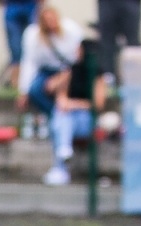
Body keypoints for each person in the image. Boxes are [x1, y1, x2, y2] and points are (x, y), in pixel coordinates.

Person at [44, 36, 107, 185]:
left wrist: (73, 104)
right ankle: (63, 154)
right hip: (67, 116)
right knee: (61, 117)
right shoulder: (72, 70)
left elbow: (97, 104)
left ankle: (60, 166)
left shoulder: (97, 75)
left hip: (85, 118)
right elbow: (52, 89)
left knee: (62, 121)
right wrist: (62, 98)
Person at [18, 5, 84, 134]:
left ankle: (66, 121)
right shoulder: (33, 35)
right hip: (46, 71)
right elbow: (30, 63)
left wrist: (64, 77)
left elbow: (78, 57)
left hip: (69, 70)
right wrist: (23, 91)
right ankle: (55, 119)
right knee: (35, 90)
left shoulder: (71, 30)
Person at [0, 0, 42, 91]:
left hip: (31, 5)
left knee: (35, 44)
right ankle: (16, 84)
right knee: (15, 49)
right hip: (12, 5)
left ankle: (35, 83)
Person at [97, 0, 141, 78]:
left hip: (131, 3)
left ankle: (133, 78)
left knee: (133, 46)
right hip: (108, 3)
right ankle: (108, 78)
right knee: (107, 45)